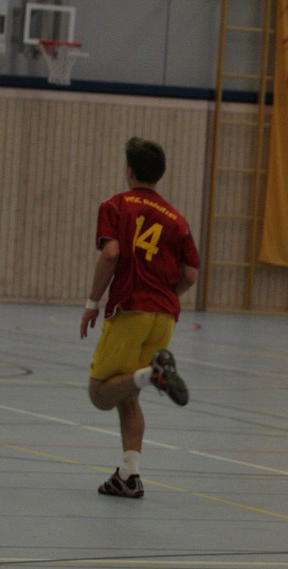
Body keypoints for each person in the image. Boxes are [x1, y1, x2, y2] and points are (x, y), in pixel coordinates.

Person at [80, 137, 200, 499]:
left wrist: (92, 302)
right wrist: (164, 299)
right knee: (128, 391)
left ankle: (154, 374)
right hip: (164, 315)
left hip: (130, 307)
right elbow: (191, 274)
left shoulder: (116, 205)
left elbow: (111, 254)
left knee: (100, 394)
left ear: (130, 171)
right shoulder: (177, 219)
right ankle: (129, 475)